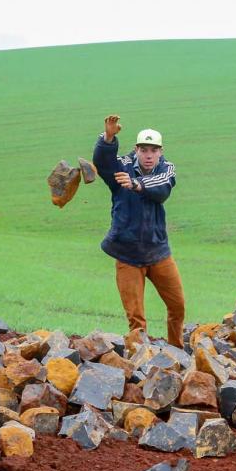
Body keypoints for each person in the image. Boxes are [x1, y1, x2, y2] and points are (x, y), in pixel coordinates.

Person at [92, 115, 185, 348]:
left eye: (153, 150)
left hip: (158, 252)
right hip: (127, 255)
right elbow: (102, 163)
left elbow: (163, 189)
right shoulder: (122, 166)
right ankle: (139, 361)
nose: (149, 155)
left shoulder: (166, 168)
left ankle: (177, 351)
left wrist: (136, 184)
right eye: (144, 150)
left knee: (177, 306)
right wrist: (108, 138)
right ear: (136, 150)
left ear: (160, 152)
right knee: (136, 320)